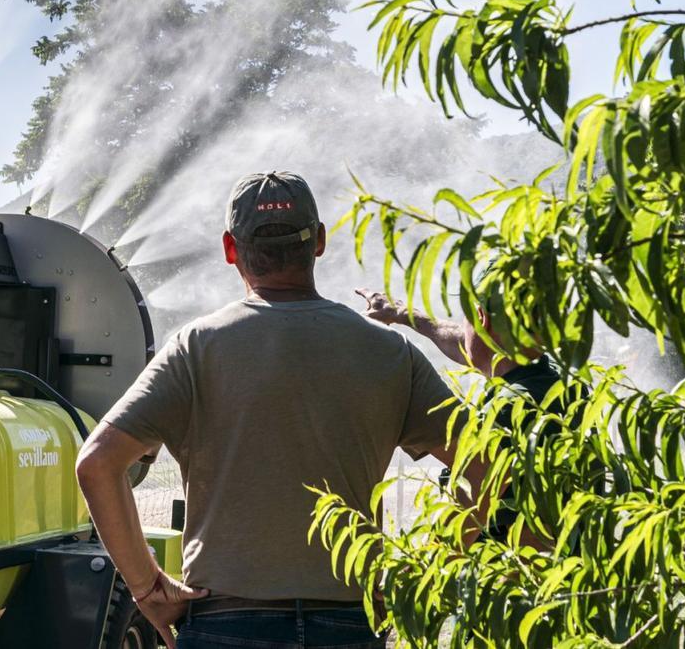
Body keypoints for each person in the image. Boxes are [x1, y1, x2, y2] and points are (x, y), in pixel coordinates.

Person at [76, 171, 478, 649]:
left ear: (231, 248)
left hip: (224, 621)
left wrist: (147, 588)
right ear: (320, 242)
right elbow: (488, 465)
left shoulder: (195, 348)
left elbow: (97, 464)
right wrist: (425, 573)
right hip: (349, 625)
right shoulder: (390, 352)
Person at [355, 287, 566, 541]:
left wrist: (421, 573)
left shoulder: (508, 412)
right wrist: (406, 315)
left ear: (483, 319)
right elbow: (470, 344)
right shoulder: (556, 381)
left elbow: (460, 528)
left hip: (508, 575)